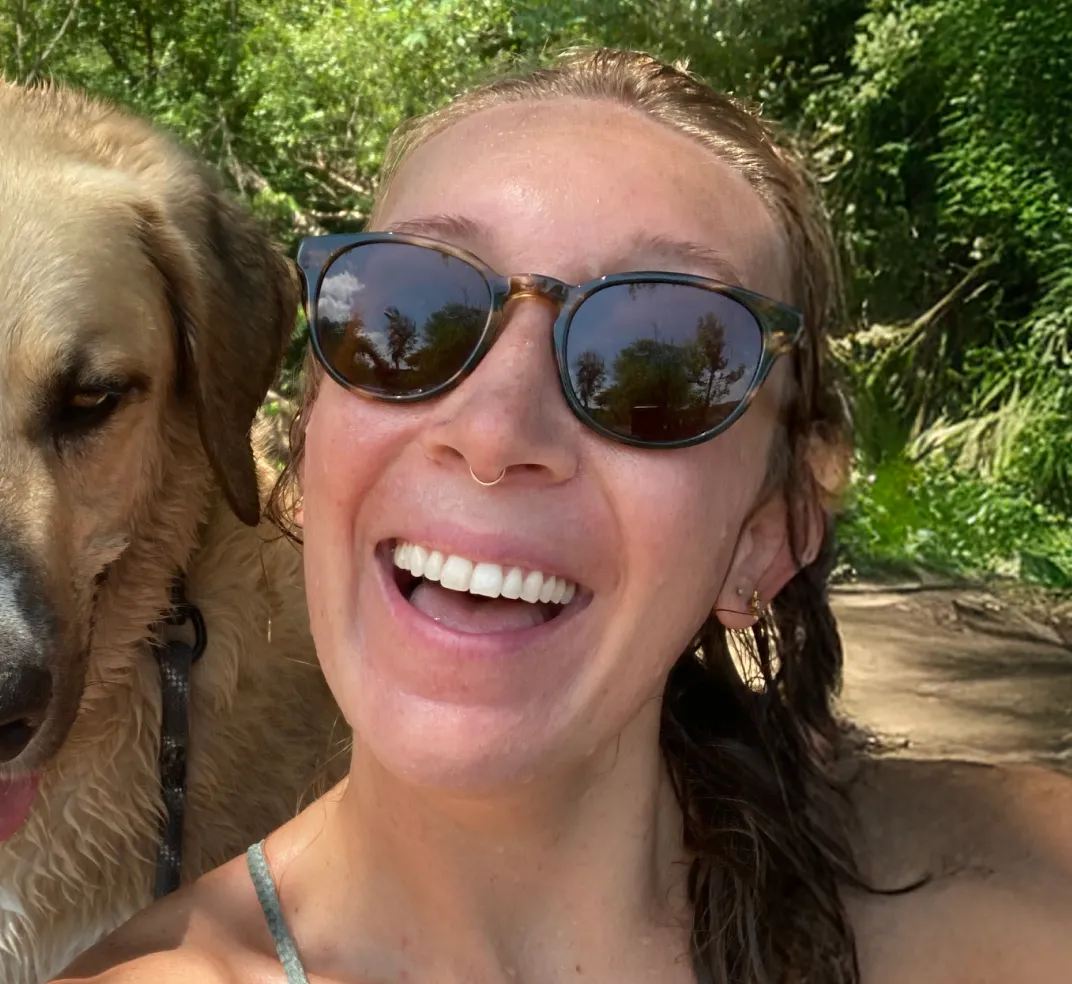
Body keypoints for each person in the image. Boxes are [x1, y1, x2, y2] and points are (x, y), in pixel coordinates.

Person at [56, 47, 1072, 984]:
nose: (496, 430)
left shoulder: (1008, 901)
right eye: (406, 316)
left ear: (767, 533)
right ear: (315, 444)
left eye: (664, 357)